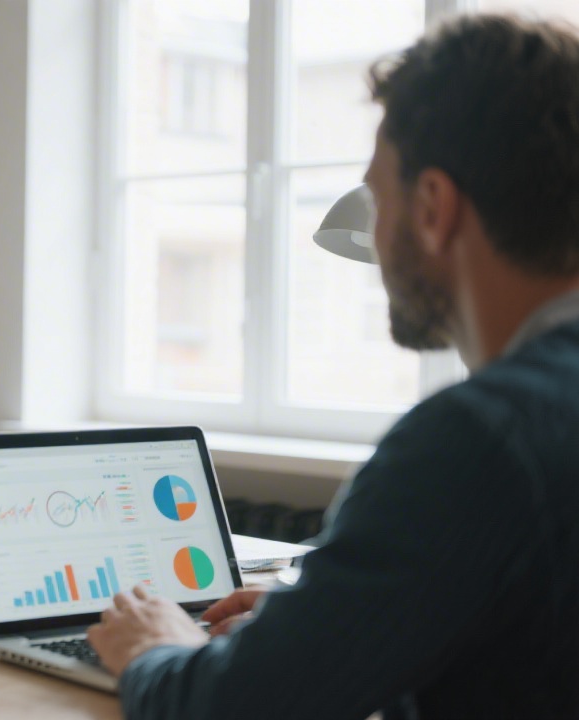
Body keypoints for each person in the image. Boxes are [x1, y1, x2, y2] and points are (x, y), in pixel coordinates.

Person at [88, 14, 579, 719]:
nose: (373, 238)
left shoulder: (480, 437)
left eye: (377, 198)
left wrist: (155, 647)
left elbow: (234, 709)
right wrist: (327, 628)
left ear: (435, 208)